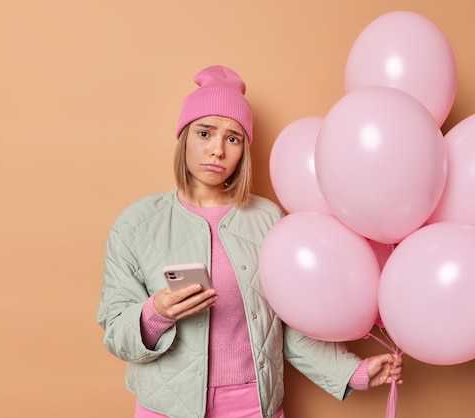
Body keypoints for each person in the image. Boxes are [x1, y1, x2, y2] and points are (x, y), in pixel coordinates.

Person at [97, 65, 403, 418]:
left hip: (253, 407)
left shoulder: (269, 220)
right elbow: (116, 328)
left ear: (244, 149)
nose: (217, 151)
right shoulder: (136, 225)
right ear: (184, 138)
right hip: (165, 408)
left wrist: (352, 372)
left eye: (232, 138)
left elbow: (289, 324)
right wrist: (157, 313)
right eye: (204, 133)